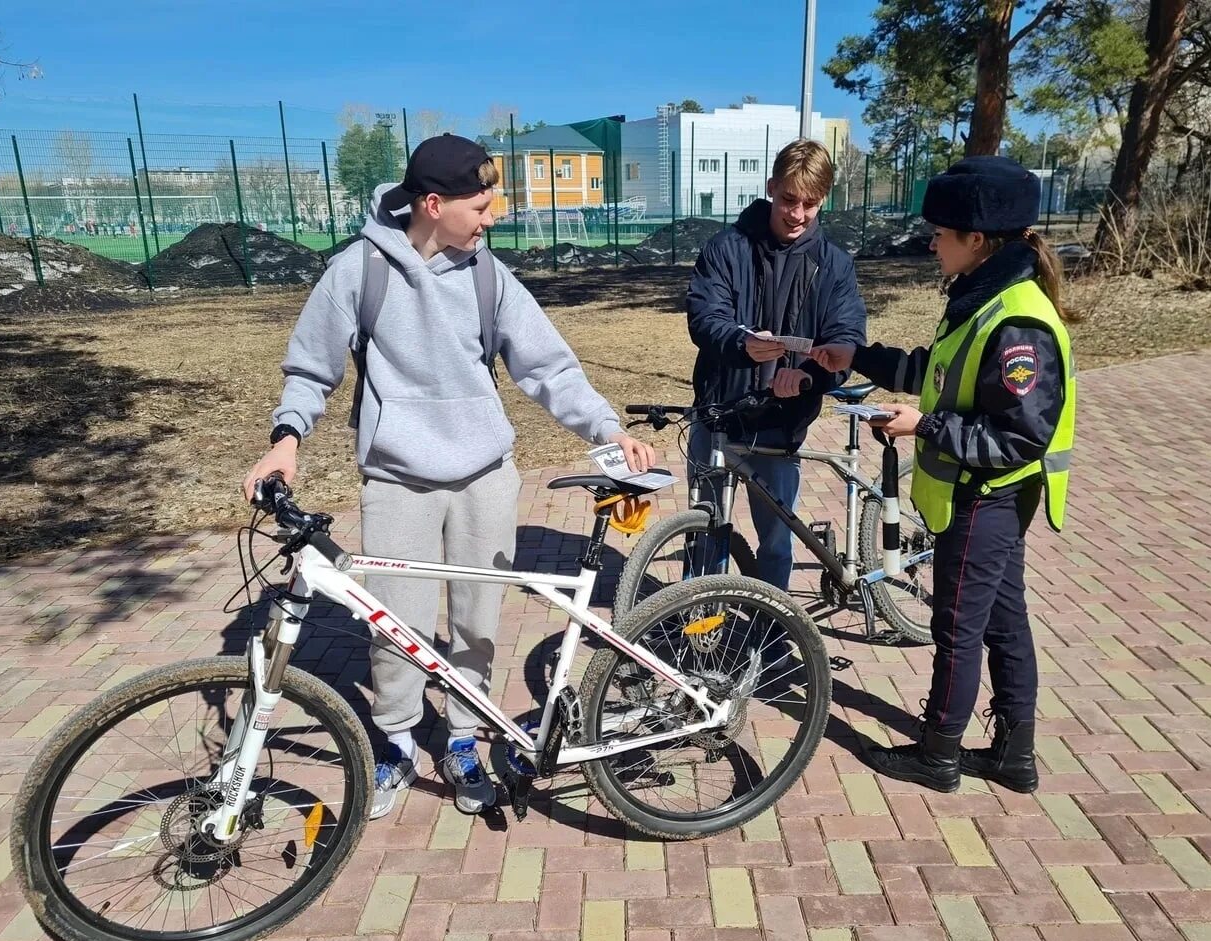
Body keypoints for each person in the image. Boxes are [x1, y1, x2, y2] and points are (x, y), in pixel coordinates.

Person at [243, 134, 653, 819]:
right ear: (433, 204)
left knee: (476, 619)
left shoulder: (491, 277)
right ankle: (398, 740)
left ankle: (463, 737)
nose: (492, 216)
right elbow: (312, 367)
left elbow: (548, 367)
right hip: (397, 477)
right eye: (481, 204)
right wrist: (287, 441)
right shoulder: (359, 272)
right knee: (395, 621)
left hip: (484, 476)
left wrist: (607, 429)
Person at [811, 155, 1076, 794]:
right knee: (1004, 621)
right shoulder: (980, 300)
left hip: (985, 497)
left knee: (956, 625)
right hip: (981, 497)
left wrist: (921, 427)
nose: (931, 242)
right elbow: (941, 373)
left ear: (977, 241)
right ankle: (1015, 754)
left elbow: (1018, 437)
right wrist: (861, 357)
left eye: (941, 233)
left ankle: (938, 753)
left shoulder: (1017, 321)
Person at [686, 138, 867, 593]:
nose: (797, 213)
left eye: (810, 203)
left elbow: (845, 338)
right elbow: (705, 318)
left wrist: (809, 376)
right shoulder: (726, 248)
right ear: (771, 187)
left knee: (774, 541)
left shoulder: (834, 264)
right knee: (704, 534)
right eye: (788, 199)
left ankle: (771, 636)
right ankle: (694, 628)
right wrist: (742, 343)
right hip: (718, 412)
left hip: (781, 422)